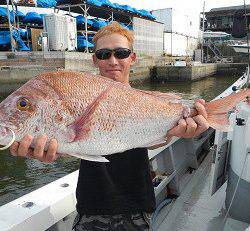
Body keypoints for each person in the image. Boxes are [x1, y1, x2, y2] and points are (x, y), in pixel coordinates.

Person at [10, 22, 209, 230]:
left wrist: (182, 130)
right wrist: (51, 151)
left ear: (132, 57)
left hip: (138, 206)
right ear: (95, 60)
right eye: (104, 54)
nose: (113, 61)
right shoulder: (82, 95)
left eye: (121, 53)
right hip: (91, 207)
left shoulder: (148, 101)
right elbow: (73, 143)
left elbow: (155, 139)